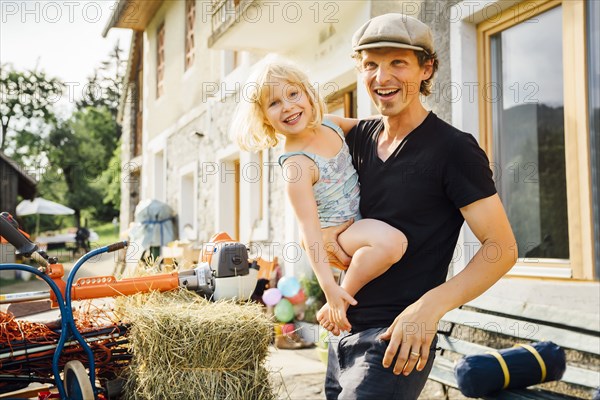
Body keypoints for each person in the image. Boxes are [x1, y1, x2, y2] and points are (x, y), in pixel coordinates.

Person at [318, 13, 517, 399]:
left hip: (397, 339)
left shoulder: (453, 150)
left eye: (398, 63)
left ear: (426, 69)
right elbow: (303, 128)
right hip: (341, 335)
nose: (382, 77)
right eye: (371, 64)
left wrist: (430, 307)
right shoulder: (358, 137)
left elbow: (502, 248)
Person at [232, 57, 408, 332]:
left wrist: (405, 116)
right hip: (338, 235)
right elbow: (310, 231)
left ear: (308, 93)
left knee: (393, 246)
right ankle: (340, 297)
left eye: (293, 94)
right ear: (264, 118)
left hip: (359, 223)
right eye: (274, 103)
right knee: (393, 243)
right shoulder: (297, 165)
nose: (288, 106)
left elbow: (370, 125)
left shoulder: (330, 124)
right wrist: (328, 287)